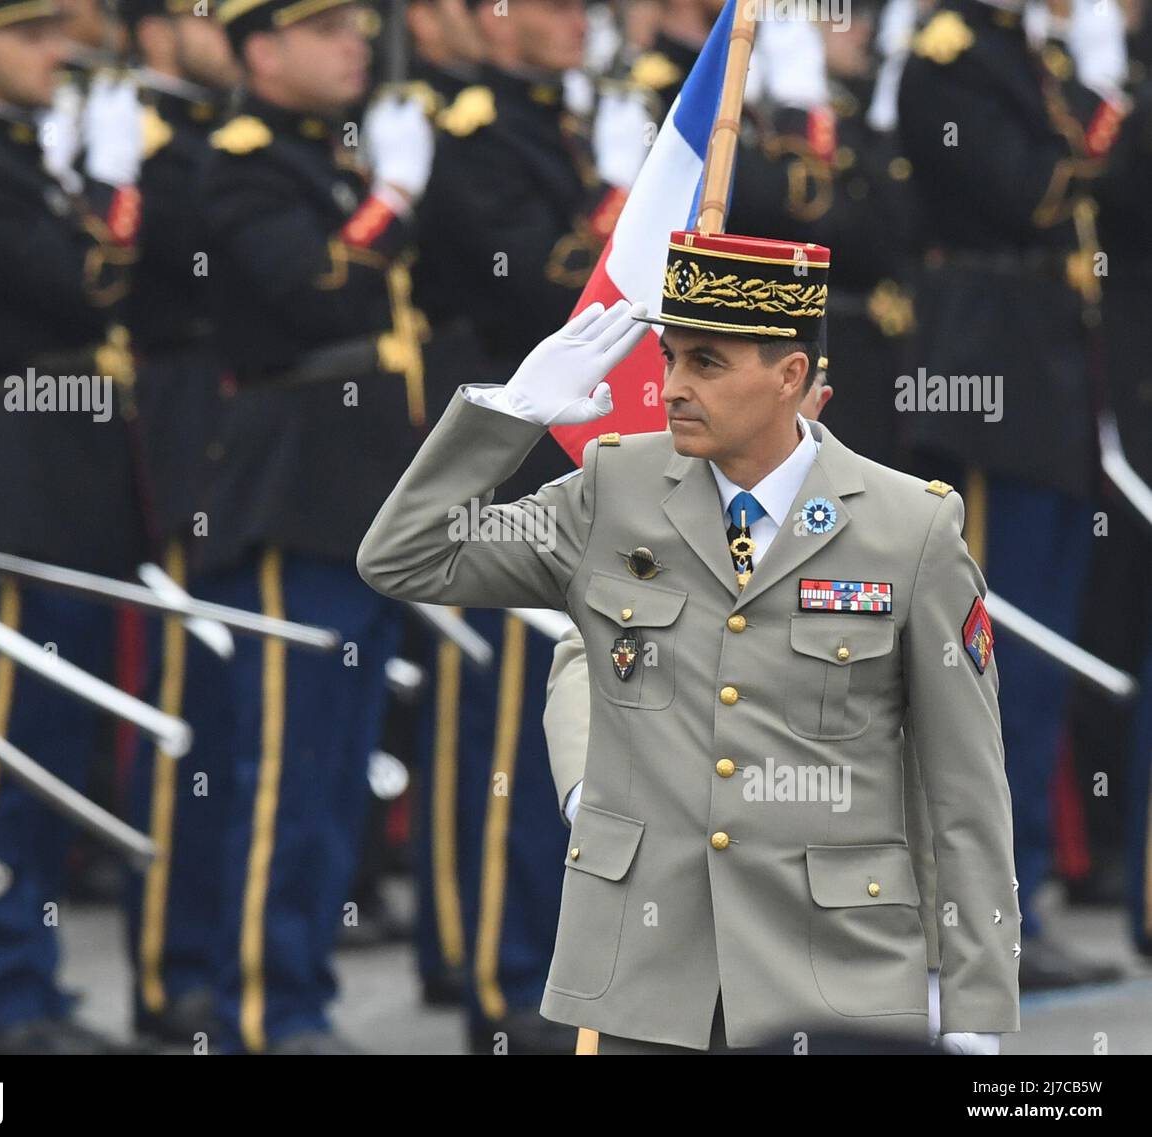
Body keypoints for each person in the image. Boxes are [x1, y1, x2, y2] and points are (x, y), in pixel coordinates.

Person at [358, 224, 1021, 1052]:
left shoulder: (909, 527)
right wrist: (507, 417)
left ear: (791, 377)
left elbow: (967, 792)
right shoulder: (612, 489)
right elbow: (407, 556)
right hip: (645, 975)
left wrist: (974, 1007)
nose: (671, 385)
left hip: (836, 980)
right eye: (670, 357)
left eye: (706, 362)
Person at [409, 0, 650, 1052]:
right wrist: (613, 196)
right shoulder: (473, 137)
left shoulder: (561, 120)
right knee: (505, 744)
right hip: (515, 467)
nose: (572, 24)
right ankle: (501, 983)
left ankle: (568, 967)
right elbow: (559, 289)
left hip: (591, 463)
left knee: (587, 733)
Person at [199, 0, 435, 1053]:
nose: (355, 43)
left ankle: (301, 999)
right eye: (326, 24)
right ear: (261, 48)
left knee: (337, 775)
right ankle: (264, 1008)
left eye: (358, 24)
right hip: (295, 493)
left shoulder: (321, 160)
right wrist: (390, 200)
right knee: (288, 778)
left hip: (365, 493)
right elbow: (318, 290)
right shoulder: (246, 163)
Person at [0, 0, 146, 1053]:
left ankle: (35, 985)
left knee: (51, 748)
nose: (58, 54)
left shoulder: (25, 161)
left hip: (77, 480)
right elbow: (87, 283)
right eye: (31, 34)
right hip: (7, 477)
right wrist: (111, 185)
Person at [898, 0, 1131, 988]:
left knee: (1034, 676)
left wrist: (1101, 93)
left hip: (1049, 381)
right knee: (983, 665)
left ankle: (1016, 906)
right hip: (985, 377)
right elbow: (1029, 187)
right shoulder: (946, 58)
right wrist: (1107, 111)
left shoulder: (1023, 55)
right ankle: (968, 920)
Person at [119, 0, 240, 1045]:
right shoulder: (143, 144)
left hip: (238, 427)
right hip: (179, 421)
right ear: (157, 31)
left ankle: (226, 948)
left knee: (244, 709)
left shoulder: (213, 136)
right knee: (188, 707)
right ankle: (171, 963)